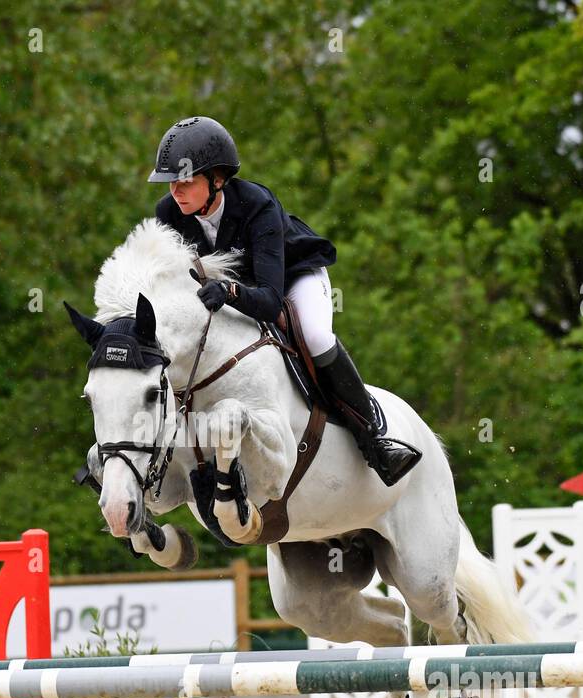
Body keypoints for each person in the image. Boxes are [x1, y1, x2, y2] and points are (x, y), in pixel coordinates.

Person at [148, 116, 421, 486]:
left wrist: (228, 292)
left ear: (217, 179)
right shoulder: (168, 214)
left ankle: (374, 437)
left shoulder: (257, 206)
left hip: (291, 279)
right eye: (172, 182)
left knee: (314, 335)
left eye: (186, 181)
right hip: (232, 291)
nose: (176, 191)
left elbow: (270, 299)